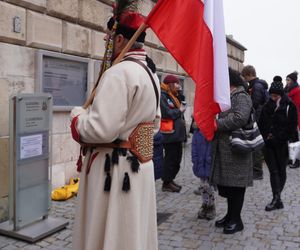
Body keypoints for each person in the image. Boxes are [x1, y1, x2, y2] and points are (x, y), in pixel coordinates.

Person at [69, 10, 160, 250]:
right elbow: (155, 125)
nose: (106, 41)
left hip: (116, 171)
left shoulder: (118, 73)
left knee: (116, 234)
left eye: (109, 36)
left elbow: (101, 130)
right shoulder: (150, 75)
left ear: (120, 39)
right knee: (132, 232)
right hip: (137, 168)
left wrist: (78, 118)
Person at [211, 68, 253, 234]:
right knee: (229, 186)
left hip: (237, 149)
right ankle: (230, 216)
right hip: (227, 149)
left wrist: (217, 124)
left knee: (236, 187)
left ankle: (237, 219)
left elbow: (240, 117)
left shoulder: (241, 96)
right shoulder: (229, 96)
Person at [259, 81, 298, 211]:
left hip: (282, 144)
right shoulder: (266, 106)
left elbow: (291, 127)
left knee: (281, 171)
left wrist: (277, 136)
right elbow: (261, 123)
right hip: (268, 144)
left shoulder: (289, 106)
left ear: (281, 95)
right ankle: (276, 199)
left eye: (276, 96)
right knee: (273, 171)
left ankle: (277, 199)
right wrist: (267, 135)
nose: (273, 98)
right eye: (272, 95)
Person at [241, 65, 268, 180]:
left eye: (244, 77)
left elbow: (254, 104)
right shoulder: (258, 86)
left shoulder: (256, 87)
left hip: (258, 120)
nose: (244, 79)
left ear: (248, 75)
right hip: (259, 119)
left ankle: (257, 172)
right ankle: (255, 170)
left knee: (256, 146)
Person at [160, 74, 186, 192]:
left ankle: (170, 179)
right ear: (170, 84)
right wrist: (179, 111)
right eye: (176, 83)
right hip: (169, 133)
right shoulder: (163, 96)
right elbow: (166, 113)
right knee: (170, 159)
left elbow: (181, 102)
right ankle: (166, 183)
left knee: (177, 159)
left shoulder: (173, 96)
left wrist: (180, 94)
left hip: (177, 134)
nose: (178, 85)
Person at [191, 124, 216, 220]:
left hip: (209, 163)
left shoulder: (212, 131)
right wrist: (195, 160)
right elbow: (194, 147)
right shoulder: (197, 132)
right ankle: (205, 204)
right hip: (200, 163)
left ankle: (211, 206)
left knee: (209, 186)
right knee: (202, 186)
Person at [285, 71, 300, 168]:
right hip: (289, 118)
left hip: (296, 119)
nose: (286, 82)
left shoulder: (297, 91)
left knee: (295, 140)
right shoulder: (287, 91)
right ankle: (291, 159)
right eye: (286, 80)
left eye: (288, 80)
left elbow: (297, 107)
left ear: (293, 81)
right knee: (291, 139)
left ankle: (297, 161)